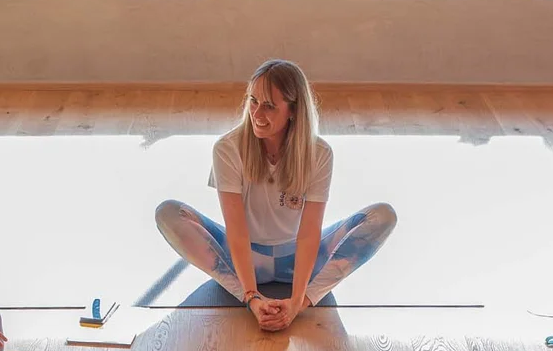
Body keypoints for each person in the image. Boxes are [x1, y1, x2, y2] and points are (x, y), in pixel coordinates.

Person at [154, 58, 397, 332]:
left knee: (383, 216)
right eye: (253, 101)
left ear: (293, 110)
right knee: (168, 213)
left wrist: (296, 303)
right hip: (243, 258)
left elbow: (309, 233)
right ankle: (245, 292)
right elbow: (236, 231)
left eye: (269, 106)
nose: (257, 113)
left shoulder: (319, 153)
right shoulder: (227, 148)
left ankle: (308, 297)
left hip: (298, 260)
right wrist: (252, 297)